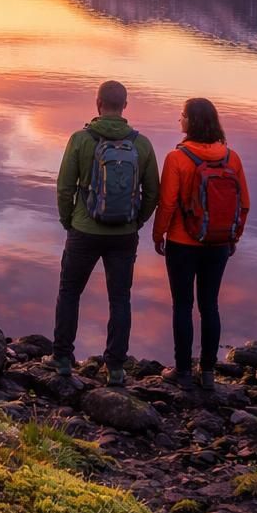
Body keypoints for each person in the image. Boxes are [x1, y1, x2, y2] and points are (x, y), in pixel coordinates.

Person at [53, 79, 160, 384]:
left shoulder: (79, 139)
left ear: (97, 104)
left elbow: (64, 188)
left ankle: (62, 358)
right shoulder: (142, 144)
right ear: (125, 106)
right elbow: (153, 192)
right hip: (124, 234)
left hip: (84, 231)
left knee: (70, 291)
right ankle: (115, 367)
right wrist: (137, 221)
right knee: (120, 298)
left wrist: (68, 220)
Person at [152, 97, 251, 390]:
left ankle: (182, 372)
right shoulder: (231, 158)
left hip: (183, 244)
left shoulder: (177, 158)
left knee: (182, 305)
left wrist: (159, 235)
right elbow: (244, 204)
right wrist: (234, 236)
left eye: (181, 115)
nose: (179, 120)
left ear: (190, 122)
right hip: (218, 243)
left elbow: (167, 204)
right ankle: (208, 373)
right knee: (210, 306)